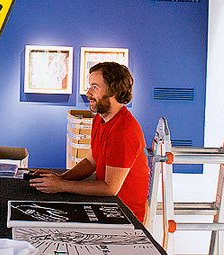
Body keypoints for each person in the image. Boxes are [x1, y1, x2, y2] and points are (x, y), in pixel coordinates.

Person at [30, 62, 150, 222]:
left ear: (114, 91)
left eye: (95, 87)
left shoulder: (124, 131)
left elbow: (110, 188)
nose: (88, 93)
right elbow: (90, 161)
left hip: (125, 214)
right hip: (108, 204)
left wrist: (62, 186)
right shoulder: (100, 119)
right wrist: (62, 179)